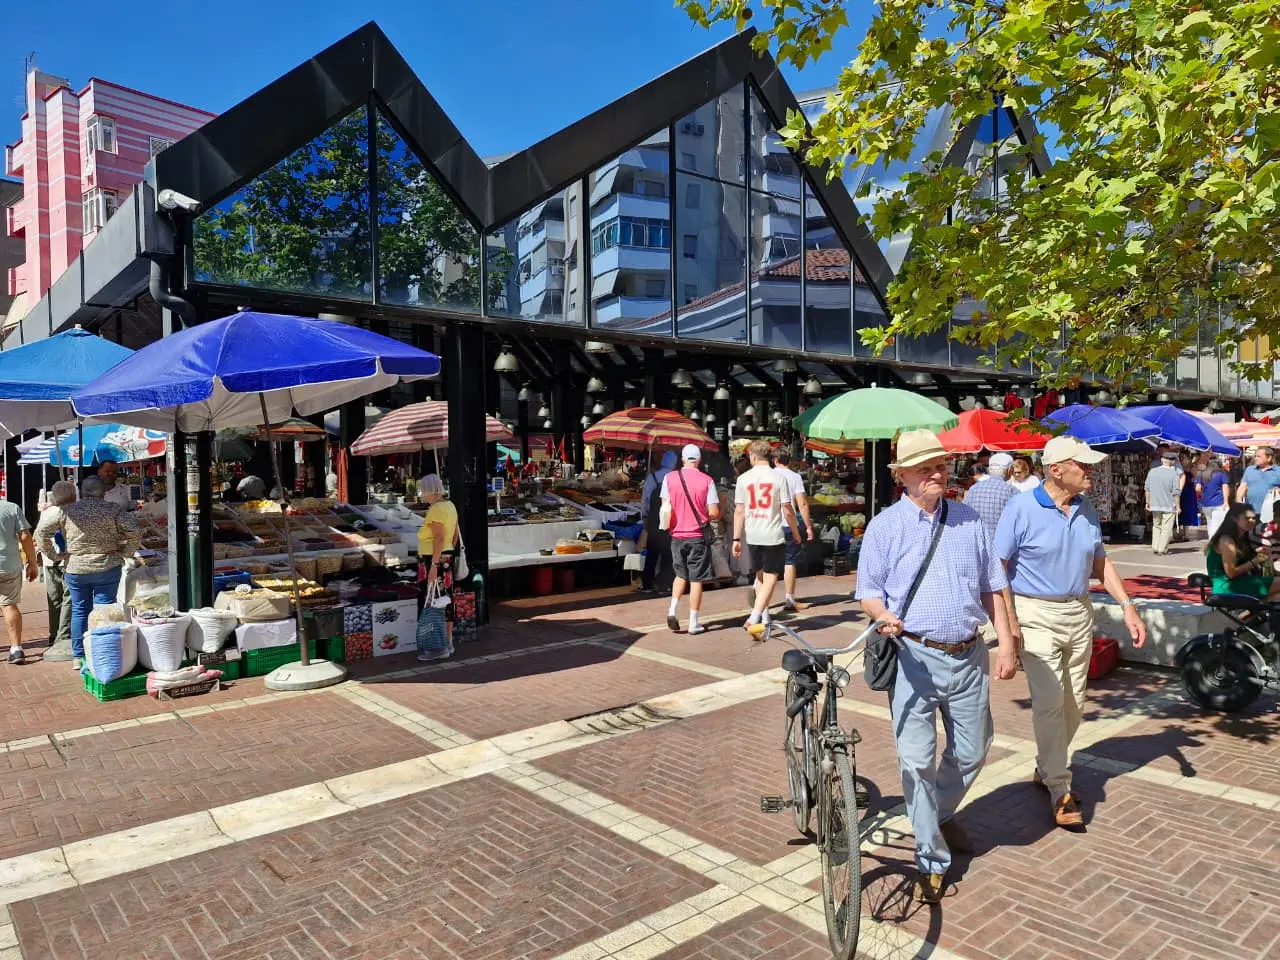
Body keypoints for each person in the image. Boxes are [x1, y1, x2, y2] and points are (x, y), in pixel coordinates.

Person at [855, 429, 1017, 904]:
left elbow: (993, 587)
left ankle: (936, 810)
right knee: (917, 759)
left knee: (973, 749)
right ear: (901, 476)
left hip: (969, 654)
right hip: (912, 656)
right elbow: (869, 591)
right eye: (924, 468)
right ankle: (931, 857)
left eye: (941, 465)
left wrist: (1006, 642)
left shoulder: (969, 520)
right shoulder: (884, 527)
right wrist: (881, 615)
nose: (936, 474)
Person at [995, 435, 1147, 830]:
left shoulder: (1086, 508)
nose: (1091, 471)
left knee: (1073, 704)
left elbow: (1101, 563)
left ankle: (1047, 766)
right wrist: (1010, 625)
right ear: (1056, 469)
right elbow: (998, 569)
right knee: (1048, 703)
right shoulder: (1021, 508)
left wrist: (1129, 606)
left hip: (1079, 610)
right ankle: (1060, 788)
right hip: (1034, 611)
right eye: (1084, 465)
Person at [34, 476, 140, 670]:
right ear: (104, 492)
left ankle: (78, 655)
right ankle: (101, 652)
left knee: (79, 609)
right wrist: (126, 552)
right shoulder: (113, 509)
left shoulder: (67, 511)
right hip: (107, 565)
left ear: (81, 492)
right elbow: (134, 530)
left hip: (76, 567)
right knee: (103, 608)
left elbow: (41, 532)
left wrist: (55, 556)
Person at [735, 440, 798, 634]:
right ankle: (755, 616)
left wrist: (736, 539)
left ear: (753, 456)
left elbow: (739, 510)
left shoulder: (743, 479)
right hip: (773, 533)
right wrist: (796, 532)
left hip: (753, 535)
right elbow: (787, 510)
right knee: (771, 577)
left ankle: (764, 616)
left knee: (761, 576)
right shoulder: (779, 478)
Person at [663, 445, 721, 635]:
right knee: (697, 579)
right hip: (697, 536)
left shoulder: (669, 478)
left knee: (680, 575)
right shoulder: (707, 480)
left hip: (676, 535)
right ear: (699, 460)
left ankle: (672, 610)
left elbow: (665, 507)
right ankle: (694, 622)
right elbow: (713, 512)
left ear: (682, 459)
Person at [416, 474, 460, 661]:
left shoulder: (436, 510)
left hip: (433, 559)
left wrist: (434, 565)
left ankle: (436, 646)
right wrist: (446, 555)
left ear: (429, 492)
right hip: (446, 557)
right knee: (445, 600)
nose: (422, 497)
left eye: (423, 493)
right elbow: (455, 534)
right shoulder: (450, 506)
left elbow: (439, 538)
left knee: (432, 600)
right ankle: (448, 642)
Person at [1205, 502, 1279, 599]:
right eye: (1247, 518)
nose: (1252, 521)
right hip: (1227, 586)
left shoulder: (1243, 538)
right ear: (1234, 519)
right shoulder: (1226, 540)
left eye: (1253, 518)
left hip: (1242, 581)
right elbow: (1231, 573)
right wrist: (1256, 560)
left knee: (1277, 597)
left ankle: (1256, 613)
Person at [38, 481, 77, 662]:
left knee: (54, 599)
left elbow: (39, 536)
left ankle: (54, 635)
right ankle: (63, 637)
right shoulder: (71, 513)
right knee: (68, 599)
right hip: (65, 561)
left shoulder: (47, 512)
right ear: (73, 496)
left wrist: (51, 555)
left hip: (50, 562)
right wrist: (57, 555)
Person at [772, 450, 814, 612]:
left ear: (775, 460)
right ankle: (789, 599)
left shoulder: (768, 475)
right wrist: (808, 526)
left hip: (769, 524)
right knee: (789, 561)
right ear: (788, 461)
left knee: (766, 561)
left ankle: (759, 595)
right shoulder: (795, 477)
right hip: (789, 524)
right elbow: (802, 503)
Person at [0, 495, 39, 665]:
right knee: (9, 605)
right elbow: (25, 536)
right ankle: (16, 649)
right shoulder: (11, 508)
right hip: (9, 565)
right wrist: (33, 562)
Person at [639, 451, 678, 594]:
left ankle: (647, 584)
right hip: (671, 519)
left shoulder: (652, 477)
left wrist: (644, 517)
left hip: (654, 519)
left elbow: (645, 501)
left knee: (652, 552)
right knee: (668, 552)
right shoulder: (676, 478)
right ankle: (665, 584)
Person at [964, 451, 1017, 542]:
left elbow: (964, 514)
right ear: (1009, 470)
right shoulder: (1012, 491)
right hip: (1000, 546)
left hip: (976, 542)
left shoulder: (973, 489)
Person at [1144, 450, 1183, 555]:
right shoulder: (1174, 474)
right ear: (1173, 462)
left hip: (1155, 504)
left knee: (1156, 525)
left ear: (1162, 460)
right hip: (1169, 505)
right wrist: (1178, 506)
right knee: (1166, 527)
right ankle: (1162, 548)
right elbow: (1176, 492)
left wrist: (1147, 502)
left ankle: (1155, 546)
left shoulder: (1152, 471)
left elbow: (1147, 488)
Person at [1237, 445, 1280, 522]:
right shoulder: (1249, 470)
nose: (1255, 458)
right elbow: (1243, 486)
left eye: (1258, 456)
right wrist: (1239, 500)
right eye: (1255, 456)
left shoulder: (1278, 471)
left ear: (1269, 458)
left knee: (1268, 533)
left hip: (1272, 513)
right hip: (1252, 512)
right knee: (1252, 533)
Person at [1197, 456, 1231, 540]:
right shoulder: (1222, 474)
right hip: (1219, 503)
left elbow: (1197, 488)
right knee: (1217, 524)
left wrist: (1203, 494)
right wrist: (1226, 501)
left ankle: (1211, 541)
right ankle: (1213, 542)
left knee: (1210, 523)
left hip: (1205, 503)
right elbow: (1225, 488)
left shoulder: (1202, 474)